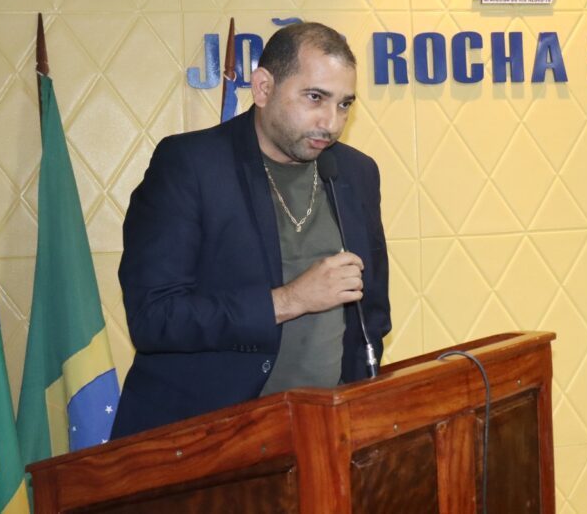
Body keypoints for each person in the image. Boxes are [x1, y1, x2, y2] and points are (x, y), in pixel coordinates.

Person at [110, 22, 390, 439]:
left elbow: (372, 313)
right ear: (263, 88)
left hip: (323, 434)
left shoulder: (355, 172)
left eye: (345, 104)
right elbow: (154, 318)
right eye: (315, 98)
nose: (331, 123)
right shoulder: (191, 164)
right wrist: (291, 300)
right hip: (208, 440)